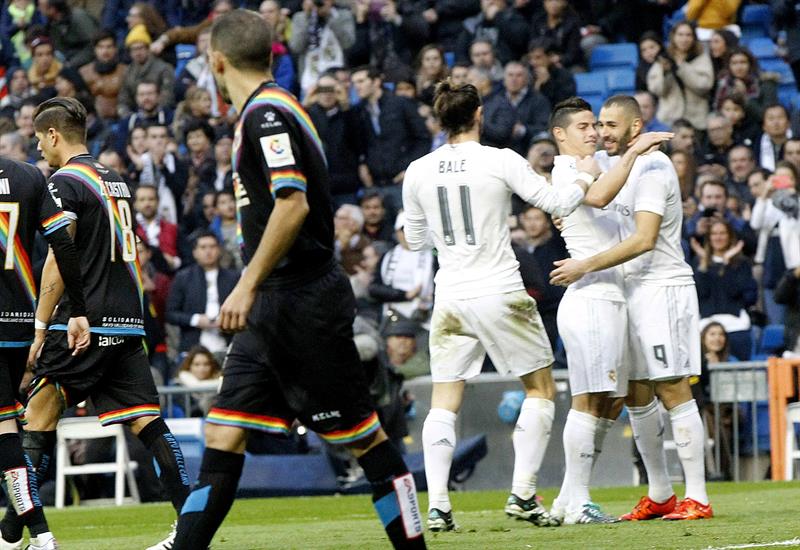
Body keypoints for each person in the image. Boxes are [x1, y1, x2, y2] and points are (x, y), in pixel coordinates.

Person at [172, 11, 426, 550]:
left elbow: (292, 204)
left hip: (301, 299)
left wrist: (244, 283)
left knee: (365, 438)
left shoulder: (267, 116)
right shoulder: (268, 110)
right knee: (222, 431)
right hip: (272, 304)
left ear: (217, 61)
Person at [402, 82, 669, 531]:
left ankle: (440, 506)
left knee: (444, 400)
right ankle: (524, 493)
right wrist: (584, 176)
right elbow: (557, 202)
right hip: (499, 288)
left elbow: (413, 239)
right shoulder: (500, 159)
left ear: (439, 118)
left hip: (450, 292)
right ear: (480, 114)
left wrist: (453, 243)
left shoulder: (417, 170)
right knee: (540, 389)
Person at [6, 97, 190, 550]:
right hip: (128, 320)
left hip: (82, 322)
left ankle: (16, 534)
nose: (38, 148)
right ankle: (191, 526)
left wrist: (41, 325)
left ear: (53, 135)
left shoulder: (64, 182)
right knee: (149, 422)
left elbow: (56, 257)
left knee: (35, 416)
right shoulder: (116, 179)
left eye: (38, 138)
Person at [550, 95, 714, 521]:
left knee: (673, 387)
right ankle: (660, 492)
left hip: (663, 287)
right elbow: (595, 201)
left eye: (609, 125)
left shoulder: (655, 167)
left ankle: (697, 495)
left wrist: (585, 264)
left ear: (636, 127)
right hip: (630, 292)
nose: (601, 132)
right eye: (597, 124)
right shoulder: (613, 165)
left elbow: (643, 239)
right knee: (638, 395)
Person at [0, 153, 91, 550]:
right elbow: (62, 244)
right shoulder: (28, 176)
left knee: (4, 431)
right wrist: (79, 307)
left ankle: (40, 534)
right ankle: (22, 533)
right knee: (5, 427)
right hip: (18, 320)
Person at [691, 220, 758, 360]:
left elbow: (735, 292)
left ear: (729, 236)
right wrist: (704, 264)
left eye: (722, 233)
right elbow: (700, 293)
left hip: (736, 323)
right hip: (706, 322)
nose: (718, 237)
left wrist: (727, 264)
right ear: (709, 237)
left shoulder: (742, 263)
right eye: (714, 234)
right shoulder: (698, 263)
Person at [166, 231, 238, 354]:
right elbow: (170, 314)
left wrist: (226, 319)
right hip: (193, 345)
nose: (208, 251)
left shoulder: (233, 277)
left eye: (212, 246)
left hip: (227, 343)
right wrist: (195, 320)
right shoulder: (183, 277)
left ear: (219, 250)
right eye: (203, 247)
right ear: (195, 252)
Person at [646, 22, 713, 130]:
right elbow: (656, 89)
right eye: (680, 35)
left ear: (694, 38)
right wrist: (666, 73)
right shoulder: (664, 58)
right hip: (669, 121)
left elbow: (704, 86)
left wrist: (681, 67)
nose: (684, 39)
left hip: (695, 121)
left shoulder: (701, 58)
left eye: (688, 35)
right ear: (673, 37)